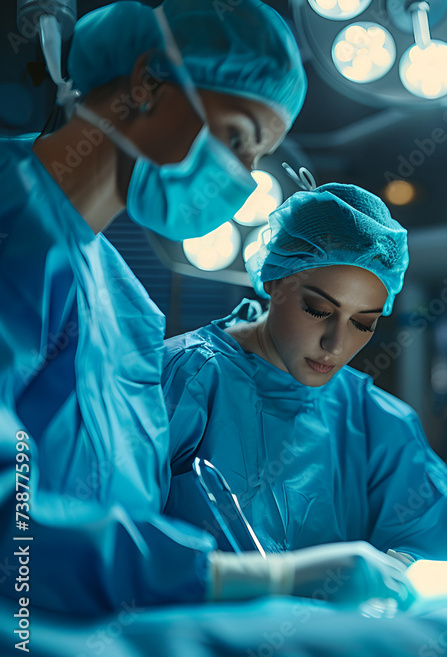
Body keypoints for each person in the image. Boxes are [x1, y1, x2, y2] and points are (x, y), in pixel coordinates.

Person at [0, 0, 411, 615]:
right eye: (238, 136)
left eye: (257, 155)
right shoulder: (13, 226)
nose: (243, 179)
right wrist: (247, 582)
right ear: (147, 80)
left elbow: (123, 504)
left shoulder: (126, 304)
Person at [161, 182, 447, 561]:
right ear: (275, 281)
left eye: (363, 323)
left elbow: (435, 543)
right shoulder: (181, 378)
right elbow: (117, 542)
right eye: (319, 310)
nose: (336, 345)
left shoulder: (377, 424)